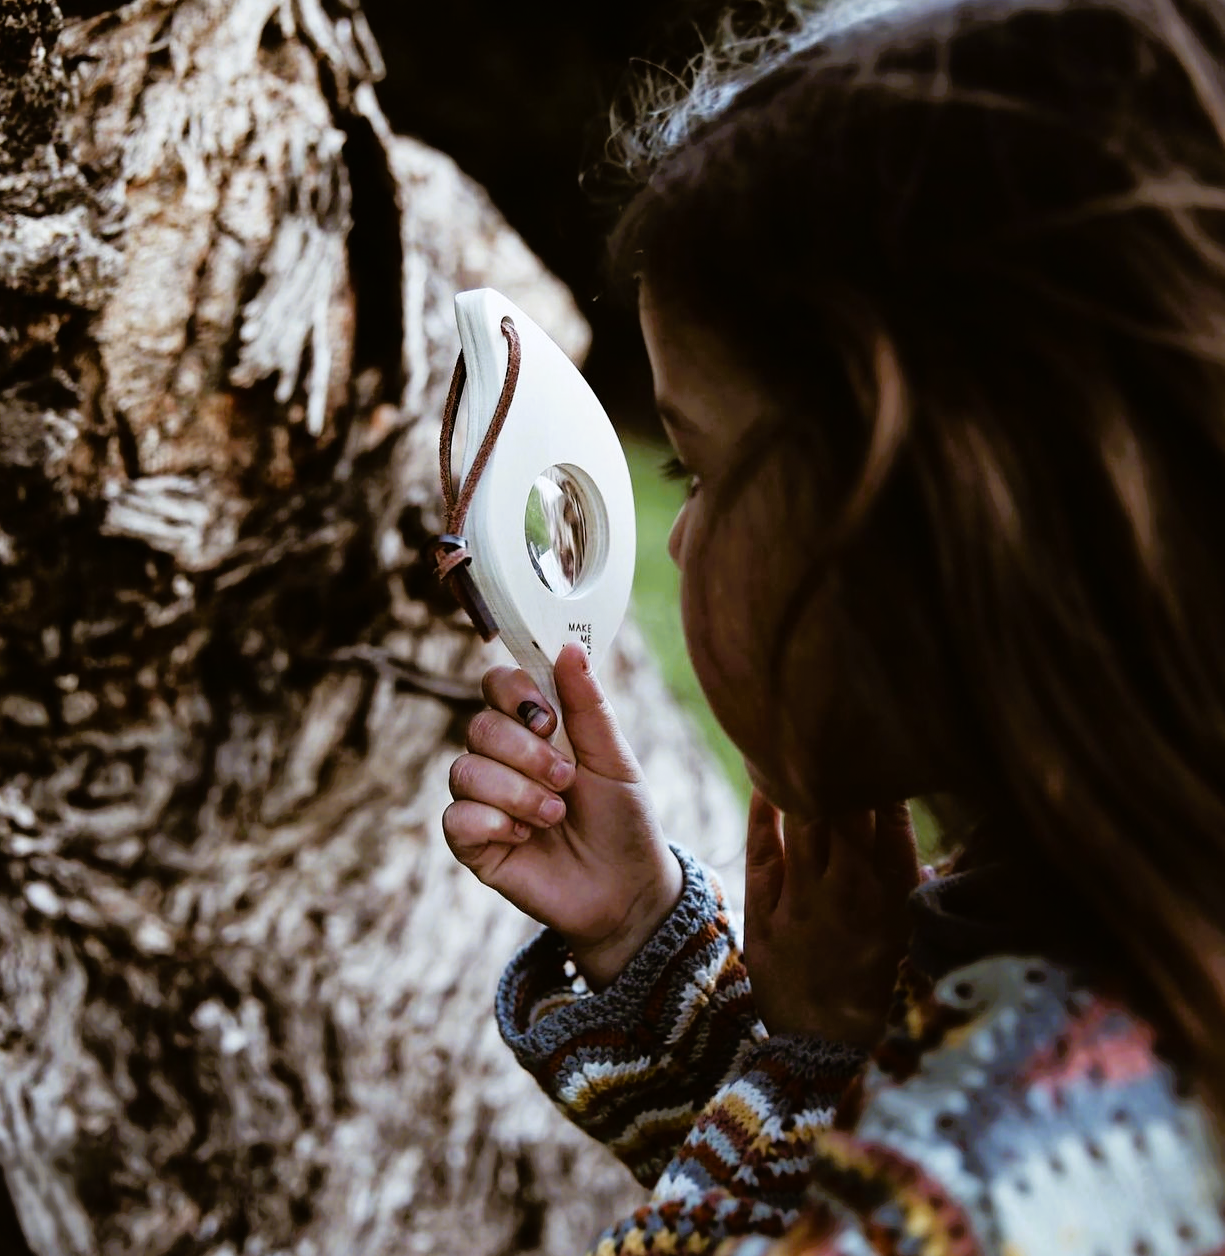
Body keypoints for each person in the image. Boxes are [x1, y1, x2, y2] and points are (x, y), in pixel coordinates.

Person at [442, 0, 1225, 1251]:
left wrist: (808, 1060)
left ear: (923, 515)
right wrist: (652, 939)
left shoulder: (1010, 1168)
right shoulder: (1093, 910)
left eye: (697, 469)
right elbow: (846, 1163)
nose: (680, 536)